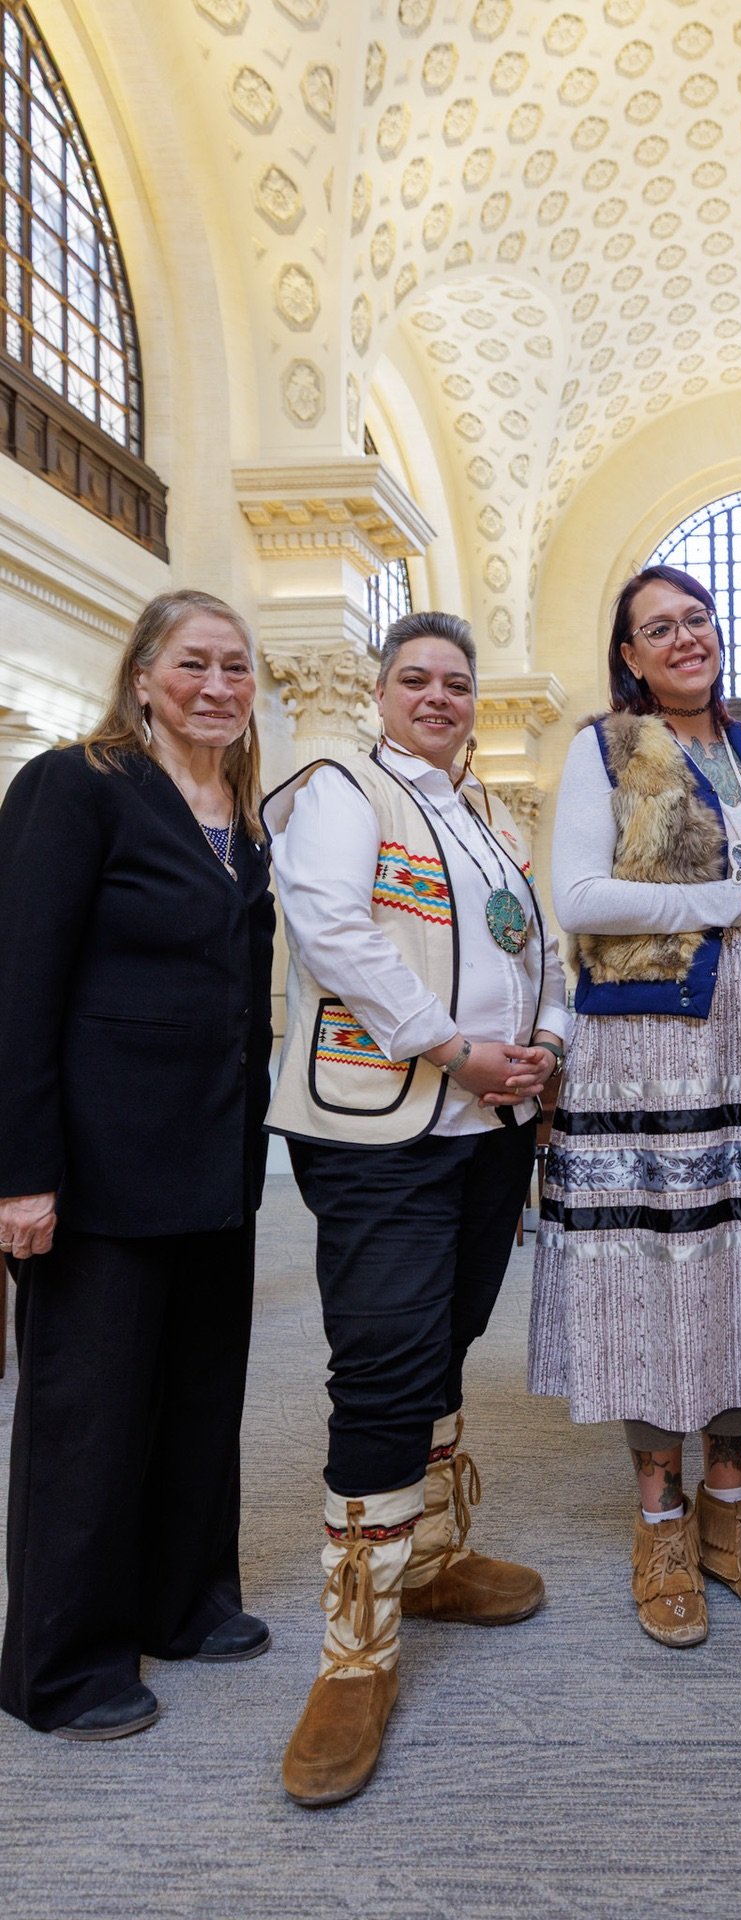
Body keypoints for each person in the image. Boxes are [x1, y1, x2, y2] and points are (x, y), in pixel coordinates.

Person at [265, 610, 567, 1806]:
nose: (437, 697)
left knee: (446, 1342)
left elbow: (538, 946)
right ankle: (355, 1654)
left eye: (455, 683)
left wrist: (541, 1040)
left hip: (488, 1131)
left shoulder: (489, 816)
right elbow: (332, 931)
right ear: (381, 691)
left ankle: (432, 1558)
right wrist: (453, 1047)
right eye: (416, 680)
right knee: (384, 1366)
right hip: (386, 1122)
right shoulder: (340, 788)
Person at [530, 564, 741, 1648]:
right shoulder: (605, 748)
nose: (683, 638)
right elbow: (577, 897)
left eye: (697, 620)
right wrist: (719, 899)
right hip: (654, 1041)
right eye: (656, 628)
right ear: (628, 656)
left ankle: (730, 1502)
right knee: (657, 1272)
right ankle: (658, 1517)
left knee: (740, 1271)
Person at [0, 589, 275, 1741]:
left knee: (201, 1399)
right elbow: (20, 987)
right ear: (144, 675)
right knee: (89, 1415)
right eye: (194, 664)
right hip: (101, 1168)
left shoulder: (243, 815)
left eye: (236, 668)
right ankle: (60, 1665)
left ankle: (187, 1599)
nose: (218, 685)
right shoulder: (75, 786)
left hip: (213, 1159)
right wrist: (21, 1172)